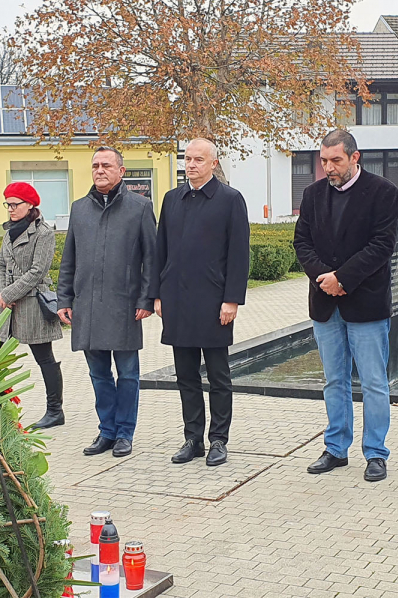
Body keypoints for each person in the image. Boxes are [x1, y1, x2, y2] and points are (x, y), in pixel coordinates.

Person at [293, 129, 398, 482]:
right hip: (325, 303)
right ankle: (336, 448)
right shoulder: (311, 194)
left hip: (366, 303)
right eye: (324, 161)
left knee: (373, 382)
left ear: (355, 157)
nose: (329, 168)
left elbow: (382, 245)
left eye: (336, 160)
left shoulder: (383, 192)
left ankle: (375, 453)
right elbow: (302, 241)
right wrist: (325, 276)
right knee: (334, 380)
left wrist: (344, 277)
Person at [150, 138, 250, 467]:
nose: (190, 165)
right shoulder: (172, 199)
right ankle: (192, 437)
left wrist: (232, 299)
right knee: (186, 376)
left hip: (213, 302)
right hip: (177, 300)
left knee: (218, 376)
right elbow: (160, 251)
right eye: (187, 159)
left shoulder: (230, 200)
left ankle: (218, 439)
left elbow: (238, 254)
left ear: (213, 163)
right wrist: (158, 293)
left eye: (198, 159)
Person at [57, 147, 157, 457]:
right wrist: (64, 298)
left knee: (127, 374)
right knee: (98, 374)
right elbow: (68, 258)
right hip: (86, 307)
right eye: (96, 165)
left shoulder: (140, 207)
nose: (100, 170)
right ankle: (107, 431)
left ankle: (125, 432)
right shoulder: (79, 209)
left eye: (107, 165)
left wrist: (147, 299)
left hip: (125, 306)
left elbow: (151, 260)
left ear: (121, 171)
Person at [0, 182, 64, 429]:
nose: (11, 209)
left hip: (34, 303)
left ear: (30, 205)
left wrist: (10, 293)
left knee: (44, 357)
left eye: (16, 204)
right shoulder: (9, 231)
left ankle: (55, 410)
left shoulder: (43, 233)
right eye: (8, 204)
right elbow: (0, 264)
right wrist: (2, 294)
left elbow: (38, 271)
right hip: (9, 305)